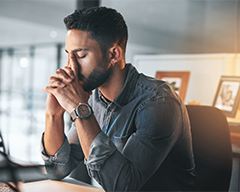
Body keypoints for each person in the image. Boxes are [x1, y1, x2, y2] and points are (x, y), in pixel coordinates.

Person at [41, 6, 200, 192]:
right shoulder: (93, 100)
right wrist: (53, 114)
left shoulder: (158, 103)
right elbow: (57, 170)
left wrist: (79, 109)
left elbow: (123, 186)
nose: (70, 66)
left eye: (81, 55)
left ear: (114, 54)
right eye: (68, 55)